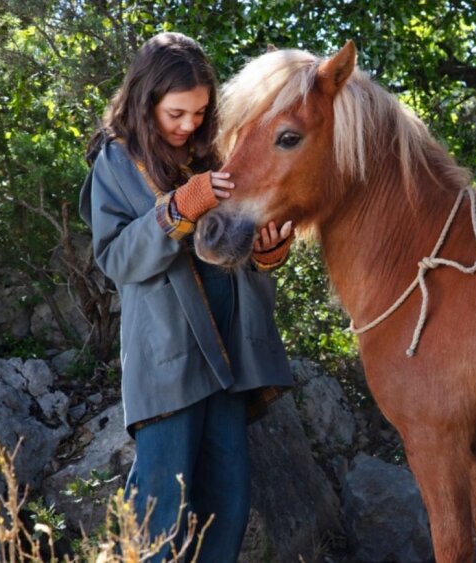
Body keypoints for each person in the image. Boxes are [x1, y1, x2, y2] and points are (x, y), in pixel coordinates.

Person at [79, 32, 294, 562]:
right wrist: (176, 210)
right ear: (145, 99)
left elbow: (237, 256)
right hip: (167, 361)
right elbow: (117, 260)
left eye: (199, 112)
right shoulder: (115, 162)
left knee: (227, 503)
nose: (189, 125)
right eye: (177, 113)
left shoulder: (217, 155)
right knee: (159, 505)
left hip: (228, 357)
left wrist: (267, 253)